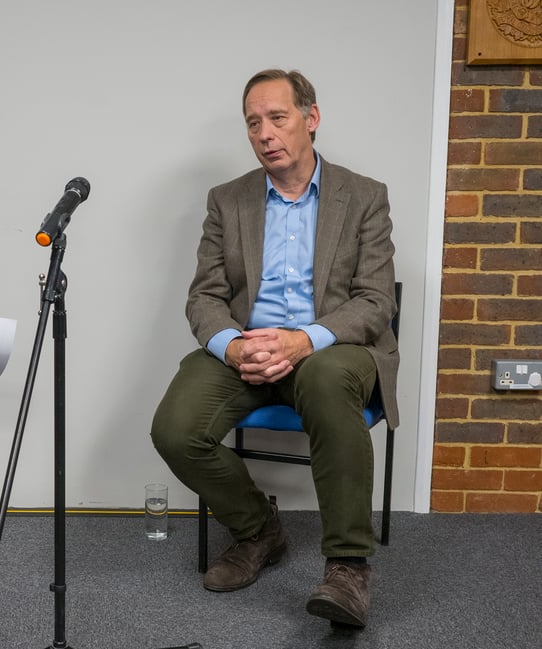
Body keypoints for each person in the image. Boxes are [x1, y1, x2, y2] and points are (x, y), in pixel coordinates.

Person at [151, 69, 399, 629]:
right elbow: (205, 297)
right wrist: (233, 347)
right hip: (248, 348)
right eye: (253, 123)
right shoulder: (227, 200)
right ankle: (259, 530)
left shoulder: (363, 197)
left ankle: (348, 567)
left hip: (333, 348)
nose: (264, 133)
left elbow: (375, 300)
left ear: (311, 119)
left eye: (277, 118)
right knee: (174, 429)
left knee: (325, 378)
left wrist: (302, 340)